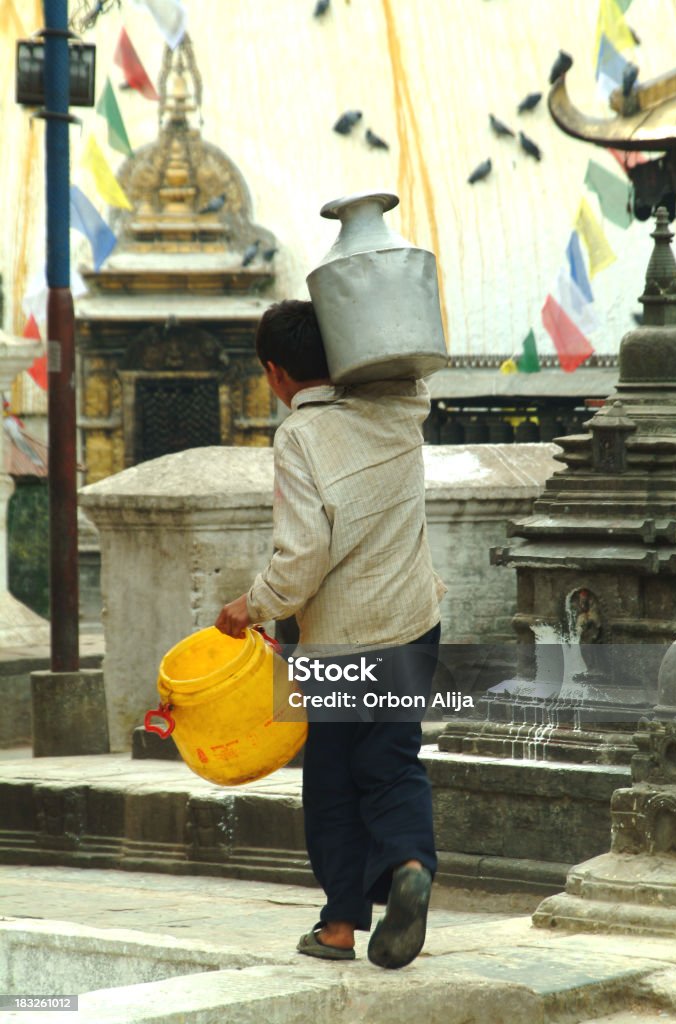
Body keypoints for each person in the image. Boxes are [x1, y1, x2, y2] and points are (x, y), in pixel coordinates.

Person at [215, 299, 444, 969]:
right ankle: (408, 863)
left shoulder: (299, 436)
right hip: (410, 625)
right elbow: (409, 367)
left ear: (273, 373)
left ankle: (340, 925)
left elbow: (301, 558)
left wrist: (250, 607)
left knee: (334, 781)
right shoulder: (399, 408)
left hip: (339, 640)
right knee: (392, 762)